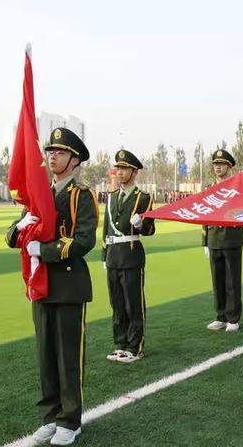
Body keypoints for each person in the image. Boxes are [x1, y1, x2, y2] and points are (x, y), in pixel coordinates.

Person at [6, 127, 99, 446]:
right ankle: (51, 417)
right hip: (41, 285)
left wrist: (44, 251)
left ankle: (70, 421)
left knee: (68, 356)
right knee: (46, 354)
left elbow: (85, 239)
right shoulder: (38, 194)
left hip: (69, 284)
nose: (52, 156)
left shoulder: (81, 196)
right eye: (50, 151)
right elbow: (14, 236)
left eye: (59, 152)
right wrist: (18, 229)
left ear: (75, 160)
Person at [102, 149, 155, 363]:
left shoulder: (143, 197)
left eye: (124, 169)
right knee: (116, 303)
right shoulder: (111, 197)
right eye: (118, 168)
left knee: (133, 304)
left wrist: (141, 224)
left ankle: (135, 346)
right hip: (114, 255)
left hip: (131, 255)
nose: (120, 172)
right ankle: (120, 344)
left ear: (134, 172)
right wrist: (104, 256)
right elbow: (106, 229)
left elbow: (150, 230)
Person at [202, 149, 243, 332]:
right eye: (215, 164)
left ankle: (233, 318)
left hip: (231, 238)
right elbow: (203, 214)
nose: (218, 167)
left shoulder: (237, 188)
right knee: (217, 281)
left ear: (229, 166)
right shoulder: (209, 189)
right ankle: (220, 316)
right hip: (213, 238)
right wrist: (205, 241)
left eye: (221, 164)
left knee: (231, 281)